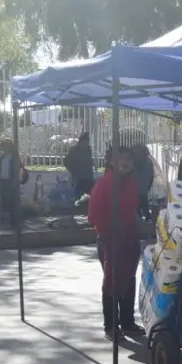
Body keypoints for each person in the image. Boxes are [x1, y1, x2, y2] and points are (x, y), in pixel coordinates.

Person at [88, 145, 144, 340]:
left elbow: (134, 208)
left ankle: (127, 322)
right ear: (111, 161)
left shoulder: (132, 184)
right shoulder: (103, 184)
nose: (126, 162)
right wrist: (112, 229)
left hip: (129, 238)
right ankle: (111, 326)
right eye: (122, 158)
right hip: (110, 240)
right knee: (112, 282)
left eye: (129, 158)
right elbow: (93, 215)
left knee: (129, 280)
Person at [0, 137, 22, 228]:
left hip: (11, 182)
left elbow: (16, 170)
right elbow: (0, 169)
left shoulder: (14, 157)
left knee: (12, 202)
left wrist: (15, 182)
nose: (1, 148)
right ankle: (6, 221)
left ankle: (14, 222)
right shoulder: (3, 157)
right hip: (4, 181)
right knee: (4, 200)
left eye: (3, 146)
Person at [64, 132, 95, 199]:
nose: (87, 143)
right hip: (80, 179)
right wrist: (74, 171)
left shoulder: (87, 150)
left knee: (88, 198)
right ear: (82, 141)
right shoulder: (76, 150)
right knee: (79, 198)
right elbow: (66, 161)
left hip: (88, 178)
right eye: (86, 141)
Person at [131, 143, 154, 220]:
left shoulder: (149, 163)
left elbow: (151, 176)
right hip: (135, 193)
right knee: (137, 213)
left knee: (144, 210)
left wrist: (148, 187)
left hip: (142, 191)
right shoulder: (132, 164)